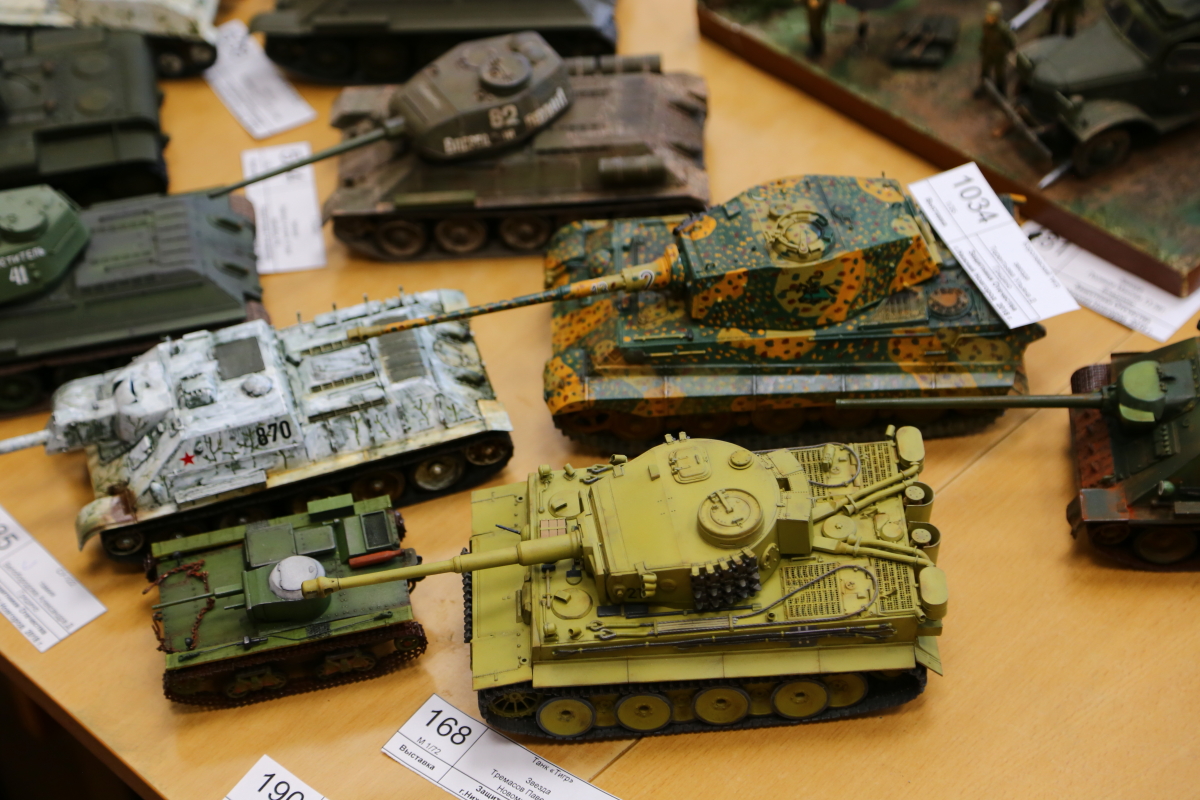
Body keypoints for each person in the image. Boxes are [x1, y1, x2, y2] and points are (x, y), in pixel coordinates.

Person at [977, 1, 1016, 97]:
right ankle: (983, 87)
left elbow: (1011, 40)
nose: (989, 18)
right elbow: (985, 38)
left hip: (999, 55)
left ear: (997, 17)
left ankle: (1001, 91)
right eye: (988, 15)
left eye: (992, 16)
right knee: (984, 71)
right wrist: (982, 47)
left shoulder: (1003, 29)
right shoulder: (985, 25)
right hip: (988, 52)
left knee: (1000, 74)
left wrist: (1010, 49)